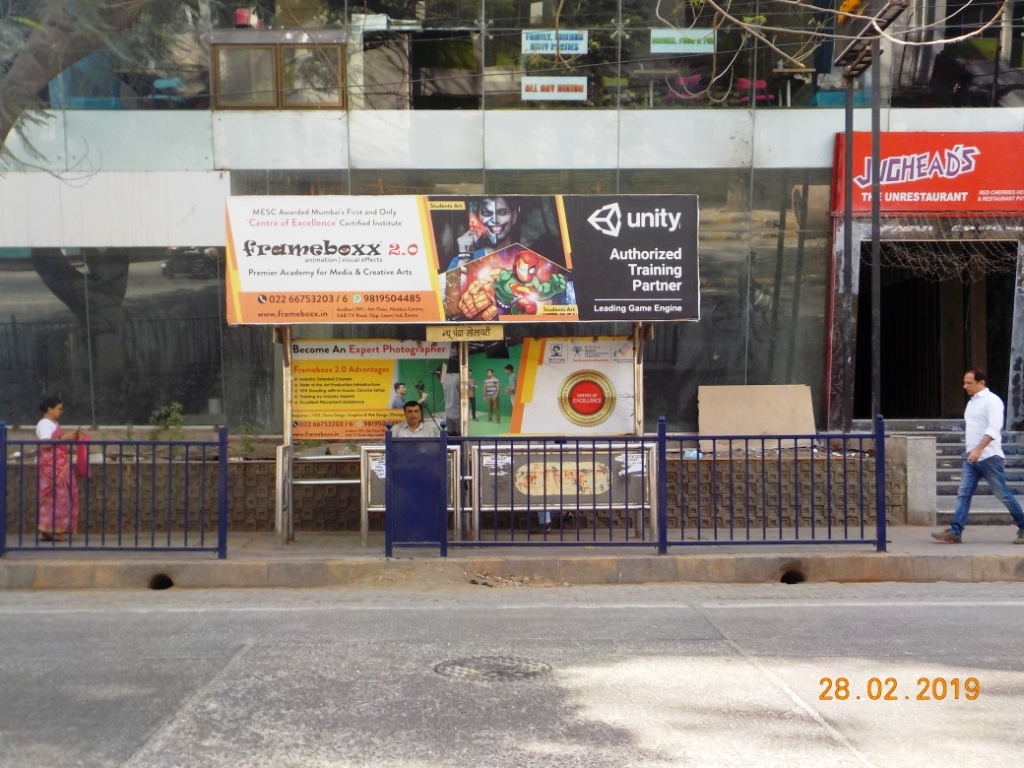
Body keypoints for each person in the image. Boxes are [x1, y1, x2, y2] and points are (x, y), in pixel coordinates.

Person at [932, 368, 1024, 544]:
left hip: (988, 457)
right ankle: (955, 531)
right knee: (963, 494)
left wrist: (980, 449)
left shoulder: (992, 401)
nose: (965, 386)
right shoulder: (972, 402)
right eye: (965, 382)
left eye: (969, 383)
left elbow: (994, 428)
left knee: (1002, 494)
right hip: (971, 457)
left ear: (981, 383)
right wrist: (972, 451)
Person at [35, 397, 81, 542]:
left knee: (57, 498)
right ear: (50, 409)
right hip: (52, 469)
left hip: (58, 467)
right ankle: (52, 530)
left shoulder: (53, 423)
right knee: (55, 499)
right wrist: (64, 438)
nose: (61, 412)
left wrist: (70, 437)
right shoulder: (45, 424)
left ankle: (48, 531)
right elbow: (45, 444)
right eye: (59, 409)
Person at [445, 196, 521, 271]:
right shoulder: (458, 262)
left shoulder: (527, 257)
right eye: (487, 213)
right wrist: (464, 262)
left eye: (502, 212)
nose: (495, 220)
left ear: (514, 217)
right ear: (478, 219)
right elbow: (450, 284)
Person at [440, 363, 462, 436]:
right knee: (460, 436)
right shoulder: (460, 377)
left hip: (448, 411)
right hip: (459, 412)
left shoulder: (444, 378)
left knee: (451, 435)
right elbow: (470, 394)